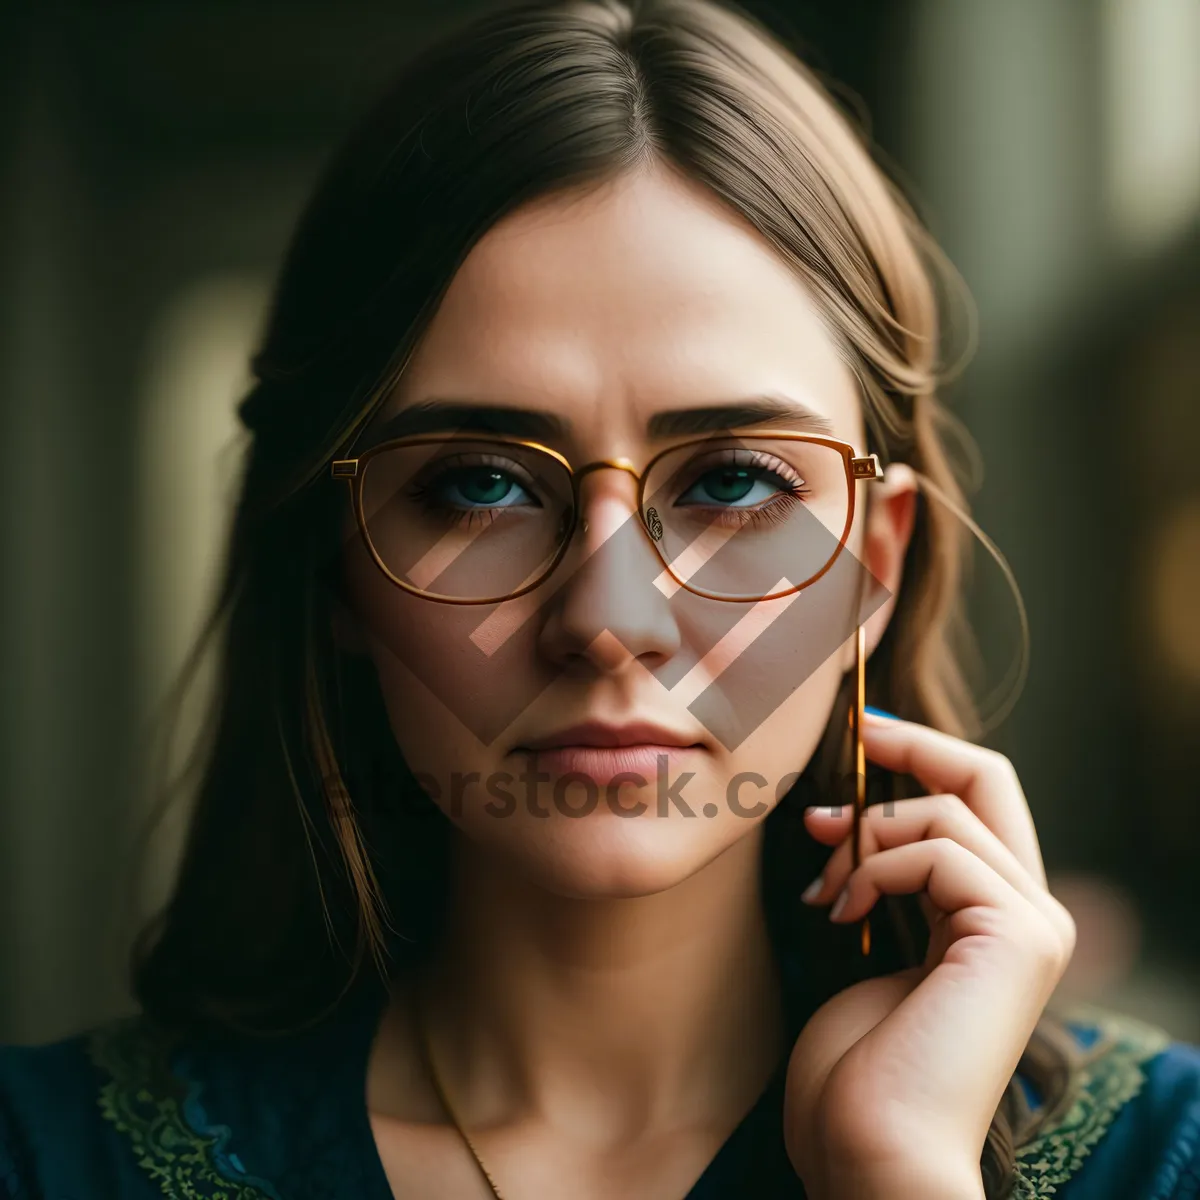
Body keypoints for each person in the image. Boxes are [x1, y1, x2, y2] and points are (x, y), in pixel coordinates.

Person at [3, 1, 1198, 1196]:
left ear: (872, 565)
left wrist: (900, 1171)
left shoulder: (1159, 1157)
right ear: (337, 571)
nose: (610, 620)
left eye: (735, 481)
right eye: (478, 485)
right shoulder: (45, 1159)